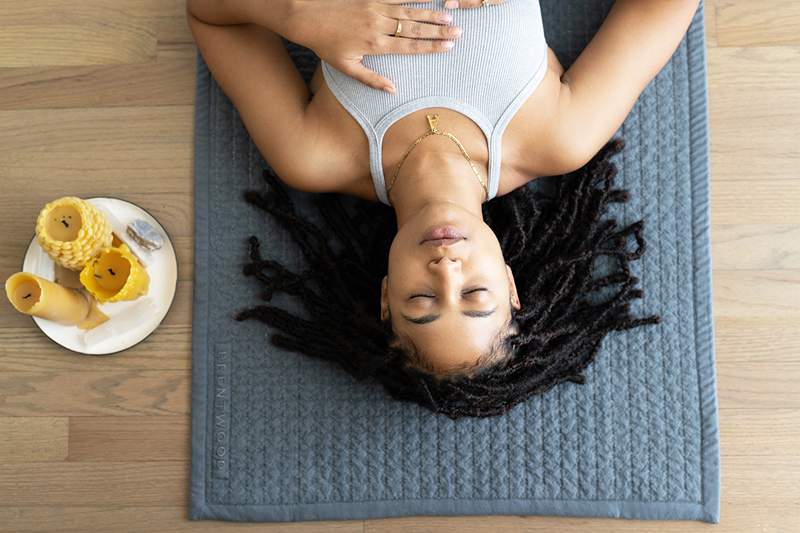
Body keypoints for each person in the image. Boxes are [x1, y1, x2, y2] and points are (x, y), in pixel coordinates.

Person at [186, 0, 699, 418]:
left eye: (420, 301)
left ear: (386, 296)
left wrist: (299, 15)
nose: (446, 270)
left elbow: (209, 13)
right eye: (475, 294)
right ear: (510, 283)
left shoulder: (314, 155)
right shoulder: (558, 138)